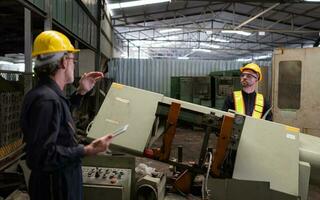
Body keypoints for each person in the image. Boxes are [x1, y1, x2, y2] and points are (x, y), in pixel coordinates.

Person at [20, 30, 113, 200]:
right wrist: (86, 150)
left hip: (58, 185)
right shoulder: (47, 100)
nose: (74, 65)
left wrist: (80, 92)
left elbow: (59, 119)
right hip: (56, 189)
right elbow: (41, 156)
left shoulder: (46, 95)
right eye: (73, 60)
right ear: (63, 62)